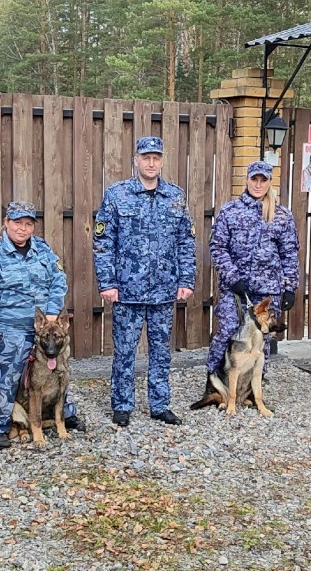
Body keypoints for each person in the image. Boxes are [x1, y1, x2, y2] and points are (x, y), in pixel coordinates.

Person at [93, 136, 197, 427]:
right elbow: (103, 242)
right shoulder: (117, 195)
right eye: (146, 157)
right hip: (127, 290)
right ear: (135, 160)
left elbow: (186, 241)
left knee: (161, 351)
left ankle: (160, 404)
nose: (151, 163)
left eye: (156, 158)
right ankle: (123, 404)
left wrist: (186, 279)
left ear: (162, 161)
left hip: (164, 290)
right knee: (125, 351)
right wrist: (107, 283)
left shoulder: (175, 196)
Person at [0, 201, 85, 450]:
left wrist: (54, 311)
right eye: (17, 223)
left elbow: (58, 279)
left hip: (46, 326)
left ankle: (64, 414)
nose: (22, 229)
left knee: (58, 371)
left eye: (28, 224)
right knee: (7, 377)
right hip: (10, 327)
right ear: (6, 223)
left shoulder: (42, 249)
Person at [206, 161, 300, 376]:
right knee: (228, 330)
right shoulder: (230, 211)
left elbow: (290, 253)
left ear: (269, 182)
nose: (258, 185)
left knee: (262, 336)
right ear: (247, 180)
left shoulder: (282, 214)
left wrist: (289, 287)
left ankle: (255, 383)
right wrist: (232, 277)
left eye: (263, 180)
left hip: (267, 289)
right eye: (254, 179)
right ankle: (214, 377)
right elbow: (218, 247)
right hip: (236, 288)